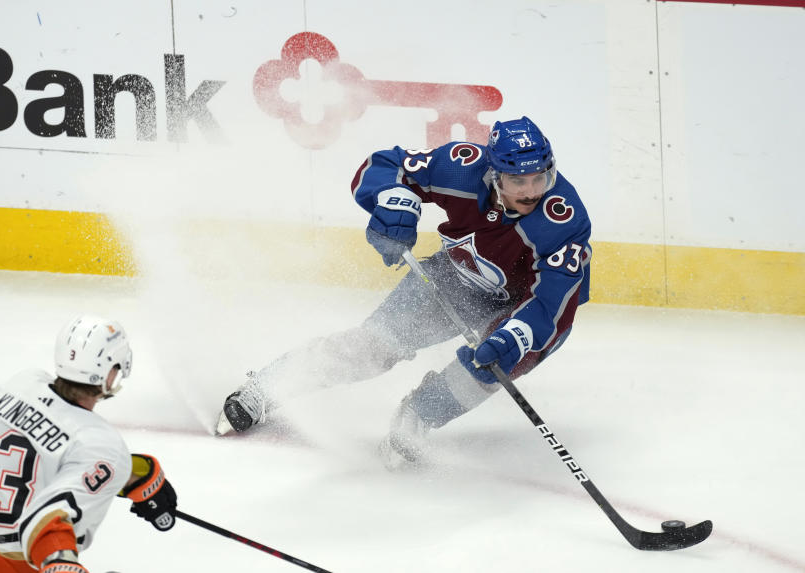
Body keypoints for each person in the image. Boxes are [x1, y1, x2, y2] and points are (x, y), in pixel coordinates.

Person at [216, 116, 592, 467]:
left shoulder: (564, 219)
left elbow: (552, 303)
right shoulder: (460, 167)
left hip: (532, 306)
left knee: (488, 365)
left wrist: (518, 334)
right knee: (374, 345)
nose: (531, 191)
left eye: (538, 178)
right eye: (517, 181)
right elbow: (382, 165)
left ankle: (417, 415)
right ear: (494, 176)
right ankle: (268, 387)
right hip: (456, 275)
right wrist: (392, 203)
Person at [0, 315, 178, 573]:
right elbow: (50, 516)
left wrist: (129, 477)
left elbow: (47, 449)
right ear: (109, 372)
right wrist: (61, 563)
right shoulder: (103, 445)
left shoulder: (19, 385)